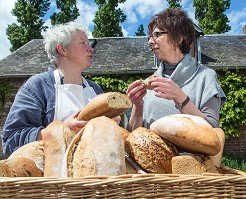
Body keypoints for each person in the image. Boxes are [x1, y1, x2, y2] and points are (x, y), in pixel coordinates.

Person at [2, 22, 119, 157]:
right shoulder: (37, 87)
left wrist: (112, 125)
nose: (91, 49)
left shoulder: (95, 89)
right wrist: (61, 130)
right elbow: (11, 140)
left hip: (94, 172)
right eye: (83, 43)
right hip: (52, 175)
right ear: (62, 49)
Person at [126, 8, 226, 131]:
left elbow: (212, 131)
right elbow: (133, 136)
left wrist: (180, 98)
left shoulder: (205, 76)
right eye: (150, 37)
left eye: (157, 34)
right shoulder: (149, 84)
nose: (150, 42)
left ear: (179, 38)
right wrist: (138, 106)